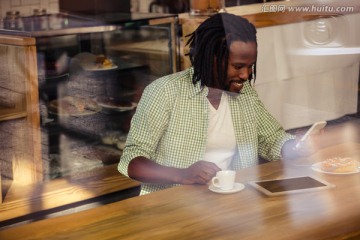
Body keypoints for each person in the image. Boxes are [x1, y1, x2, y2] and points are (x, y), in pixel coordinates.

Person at [118, 13, 307, 195]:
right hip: (173, 206)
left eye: (250, 66)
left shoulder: (245, 93)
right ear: (212, 59)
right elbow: (132, 160)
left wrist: (296, 146)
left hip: (232, 202)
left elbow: (270, 138)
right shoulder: (165, 91)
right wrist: (182, 174)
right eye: (239, 66)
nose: (246, 75)